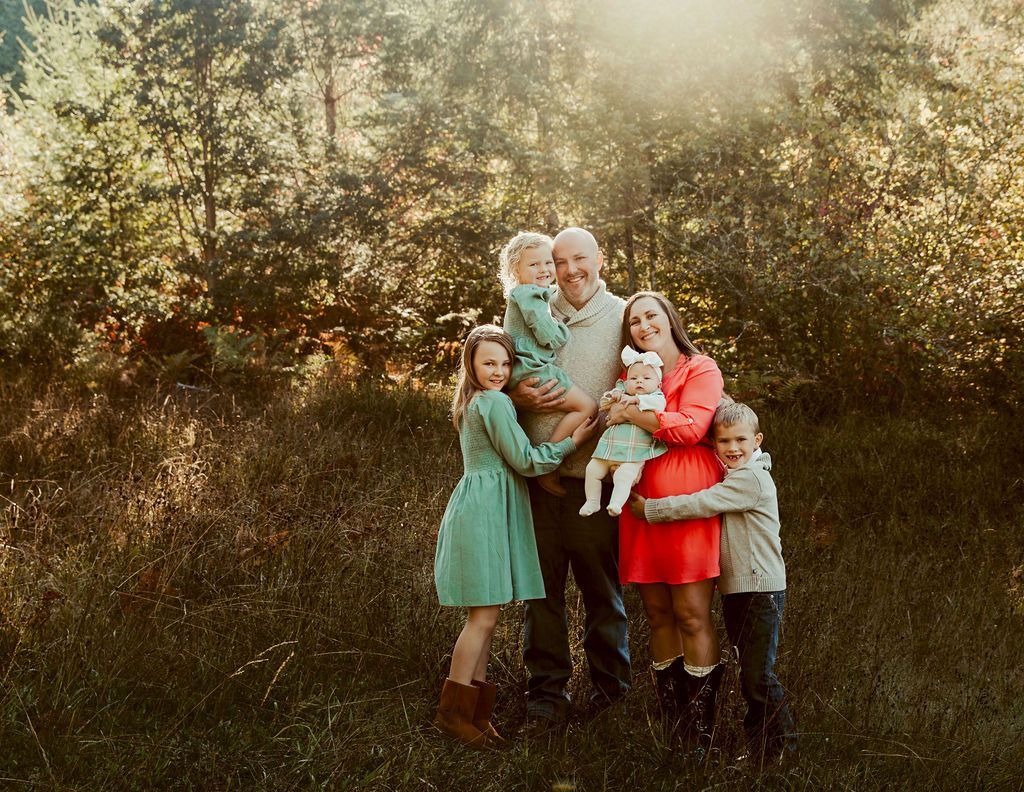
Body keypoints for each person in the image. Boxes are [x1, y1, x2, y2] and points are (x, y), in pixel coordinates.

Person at [433, 325, 597, 749]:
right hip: (485, 513)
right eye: (488, 362)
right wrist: (572, 442)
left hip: (485, 507)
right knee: (482, 618)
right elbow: (525, 461)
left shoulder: (477, 401)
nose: (499, 371)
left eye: (505, 363)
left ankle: (476, 714)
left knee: (487, 618)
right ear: (469, 362)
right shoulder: (492, 404)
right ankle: (453, 714)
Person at [509, 227, 631, 732]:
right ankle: (547, 694)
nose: (570, 270)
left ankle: (610, 692)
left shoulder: (624, 314)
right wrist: (519, 400)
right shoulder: (531, 305)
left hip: (592, 480)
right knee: (541, 591)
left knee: (602, 590)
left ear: (599, 259)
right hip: (534, 479)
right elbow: (499, 374)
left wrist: (584, 438)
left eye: (580, 259)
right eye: (559, 261)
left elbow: (642, 386)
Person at [630, 402, 796, 765]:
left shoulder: (750, 479)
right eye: (723, 441)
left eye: (741, 440)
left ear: (758, 440)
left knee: (758, 676)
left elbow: (704, 502)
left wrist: (652, 510)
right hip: (739, 590)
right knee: (750, 674)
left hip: (760, 591)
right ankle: (762, 749)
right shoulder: (734, 472)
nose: (733, 448)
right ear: (713, 443)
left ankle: (781, 750)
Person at [608, 291, 724, 744]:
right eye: (634, 321)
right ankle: (673, 724)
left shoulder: (701, 369)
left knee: (692, 614)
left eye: (650, 315)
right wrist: (627, 413)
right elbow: (612, 423)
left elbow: (692, 428)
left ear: (669, 319)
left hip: (688, 509)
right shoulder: (630, 375)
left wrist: (630, 413)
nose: (643, 325)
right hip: (637, 508)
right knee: (657, 614)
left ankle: (701, 732)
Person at [499, 232, 598, 496]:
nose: (543, 269)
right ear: (515, 270)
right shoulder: (529, 296)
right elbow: (549, 336)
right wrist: (563, 329)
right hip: (533, 370)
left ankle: (548, 460)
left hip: (527, 368)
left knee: (583, 407)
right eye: (533, 264)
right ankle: (549, 464)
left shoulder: (527, 294)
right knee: (587, 407)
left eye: (547, 263)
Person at [579, 347, 667, 518]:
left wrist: (636, 399)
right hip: (610, 449)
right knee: (591, 470)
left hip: (635, 452)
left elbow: (659, 406)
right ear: (626, 383)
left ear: (658, 384)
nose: (639, 381)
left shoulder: (656, 396)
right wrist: (614, 395)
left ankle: (616, 503)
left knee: (624, 476)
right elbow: (605, 405)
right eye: (634, 378)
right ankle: (592, 501)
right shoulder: (623, 394)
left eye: (646, 378)